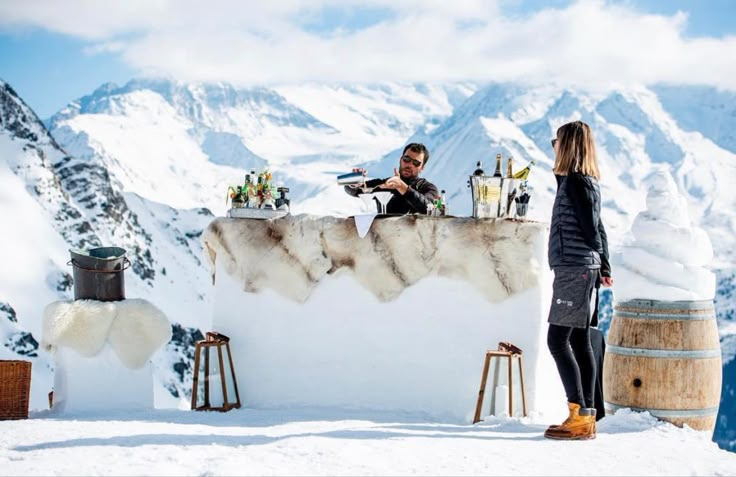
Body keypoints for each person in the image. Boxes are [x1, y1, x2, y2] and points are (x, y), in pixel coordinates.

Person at [544, 121, 613, 441]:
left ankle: (579, 415)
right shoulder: (579, 181)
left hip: (576, 269)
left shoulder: (576, 184)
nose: (552, 145)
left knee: (557, 340)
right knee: (579, 341)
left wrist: (596, 263)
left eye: (556, 141)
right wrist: (603, 266)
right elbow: (599, 227)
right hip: (582, 269)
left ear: (568, 145)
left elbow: (591, 229)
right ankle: (587, 414)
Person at [344, 143, 439, 215]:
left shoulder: (428, 188)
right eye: (406, 159)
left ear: (422, 168)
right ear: (400, 159)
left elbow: (430, 209)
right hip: (384, 238)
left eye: (416, 163)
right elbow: (355, 191)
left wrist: (402, 187)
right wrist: (354, 183)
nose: (409, 165)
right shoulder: (386, 183)